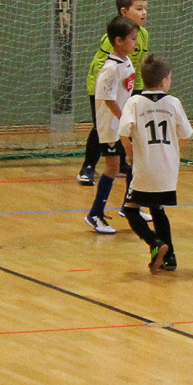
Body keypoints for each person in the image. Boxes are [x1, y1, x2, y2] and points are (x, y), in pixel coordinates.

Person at [116, 53, 193, 272]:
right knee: (158, 209)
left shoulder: (134, 102)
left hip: (145, 168)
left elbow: (123, 132)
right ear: (164, 81)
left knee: (130, 210)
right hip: (168, 170)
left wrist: (131, 153)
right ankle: (170, 258)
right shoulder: (173, 103)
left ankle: (155, 243)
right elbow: (186, 135)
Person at [77, 0, 150, 185]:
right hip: (104, 87)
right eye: (139, 9)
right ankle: (88, 167)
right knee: (102, 126)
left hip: (126, 86)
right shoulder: (113, 39)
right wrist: (102, 89)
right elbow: (101, 66)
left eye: (145, 9)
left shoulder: (143, 34)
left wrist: (137, 90)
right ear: (124, 12)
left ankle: (121, 163)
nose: (144, 13)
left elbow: (137, 64)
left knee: (124, 125)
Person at [84, 16, 139, 234]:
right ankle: (95, 214)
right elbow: (108, 100)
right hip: (111, 126)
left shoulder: (127, 62)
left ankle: (130, 206)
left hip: (122, 124)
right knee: (113, 168)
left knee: (135, 160)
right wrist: (124, 119)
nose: (136, 43)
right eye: (132, 39)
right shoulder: (110, 69)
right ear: (118, 41)